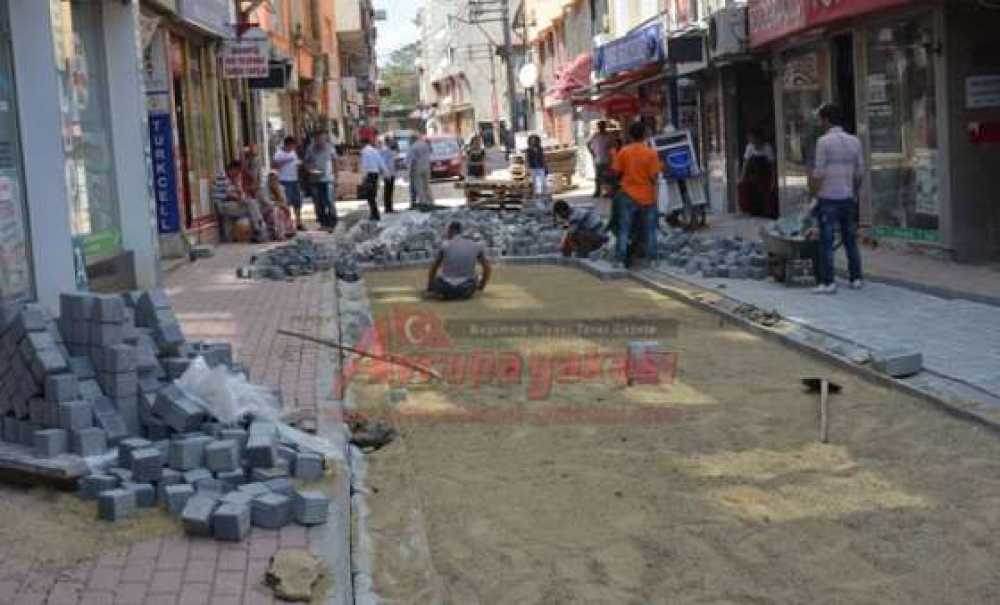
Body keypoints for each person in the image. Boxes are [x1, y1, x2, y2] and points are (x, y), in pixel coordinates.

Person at [808, 103, 865, 294]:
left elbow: (818, 173)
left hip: (828, 198)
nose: (820, 123)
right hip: (848, 197)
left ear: (826, 120)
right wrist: (854, 193)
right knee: (850, 240)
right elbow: (859, 173)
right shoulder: (855, 141)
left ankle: (828, 282)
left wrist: (815, 196)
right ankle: (856, 278)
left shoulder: (823, 142)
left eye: (821, 120)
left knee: (826, 241)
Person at [609, 121, 663, 267]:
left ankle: (620, 260)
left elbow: (615, 172)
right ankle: (652, 260)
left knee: (624, 229)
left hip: (627, 194)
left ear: (630, 135)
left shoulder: (624, 152)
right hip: (647, 196)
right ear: (644, 135)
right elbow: (654, 177)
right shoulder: (651, 153)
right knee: (650, 229)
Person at [426, 221, 491, 300]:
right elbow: (487, 268)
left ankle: (445, 293)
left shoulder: (445, 245)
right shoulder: (476, 245)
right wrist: (481, 286)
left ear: (451, 230)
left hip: (445, 288)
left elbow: (434, 268)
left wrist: (430, 287)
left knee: (439, 278)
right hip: (465, 288)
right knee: (476, 276)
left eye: (447, 231)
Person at [219, 161, 267, 242]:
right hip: (224, 205)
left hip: (233, 204)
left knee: (252, 204)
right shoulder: (222, 177)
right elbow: (227, 195)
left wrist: (240, 195)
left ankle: (258, 229)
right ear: (232, 169)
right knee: (252, 206)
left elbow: (240, 193)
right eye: (237, 172)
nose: (237, 174)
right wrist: (239, 197)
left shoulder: (234, 179)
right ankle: (259, 230)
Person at [739, 128, 777, 218]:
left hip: (765, 177)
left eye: (752, 138)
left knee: (766, 197)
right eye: (749, 139)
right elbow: (746, 163)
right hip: (753, 178)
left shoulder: (767, 148)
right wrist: (742, 177)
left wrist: (773, 180)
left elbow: (772, 166)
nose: (751, 141)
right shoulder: (749, 148)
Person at [305, 131, 338, 230]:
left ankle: (332, 222)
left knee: (329, 200)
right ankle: (323, 222)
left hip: (328, 179)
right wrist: (310, 170)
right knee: (318, 202)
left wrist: (336, 176)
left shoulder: (330, 148)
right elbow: (307, 162)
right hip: (315, 180)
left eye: (322, 139)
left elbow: (335, 161)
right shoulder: (310, 149)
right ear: (315, 140)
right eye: (318, 140)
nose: (320, 142)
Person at [271, 136, 304, 231]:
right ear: (287, 144)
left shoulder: (293, 153)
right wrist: (285, 161)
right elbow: (274, 166)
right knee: (286, 203)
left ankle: (299, 222)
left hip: (294, 179)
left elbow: (295, 163)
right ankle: (287, 223)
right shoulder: (279, 154)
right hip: (284, 180)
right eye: (292, 146)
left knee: (297, 202)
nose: (293, 148)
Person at [256, 171, 295, 240]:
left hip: (276, 210)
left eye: (275, 179)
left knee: (281, 210)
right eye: (272, 180)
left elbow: (284, 201)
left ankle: (287, 230)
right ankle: (279, 234)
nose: (273, 181)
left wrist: (277, 192)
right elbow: (267, 203)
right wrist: (280, 204)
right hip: (265, 211)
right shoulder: (263, 189)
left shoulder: (281, 188)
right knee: (276, 210)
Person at [360, 135, 389, 221]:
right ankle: (374, 213)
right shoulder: (374, 150)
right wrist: (385, 172)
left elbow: (364, 165)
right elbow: (380, 161)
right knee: (372, 195)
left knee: (369, 196)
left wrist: (363, 177)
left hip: (369, 175)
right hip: (375, 174)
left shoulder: (364, 151)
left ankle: (374, 214)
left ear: (363, 143)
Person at [588, 121, 614, 198]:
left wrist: (611, 155)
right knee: (598, 177)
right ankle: (597, 191)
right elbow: (588, 143)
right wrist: (591, 152)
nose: (601, 128)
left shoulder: (609, 136)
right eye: (599, 126)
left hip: (607, 159)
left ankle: (607, 192)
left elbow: (613, 146)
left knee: (607, 177)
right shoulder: (595, 135)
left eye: (602, 126)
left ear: (605, 127)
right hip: (597, 159)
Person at [407, 133, 433, 210]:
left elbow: (410, 159)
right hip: (427, 167)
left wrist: (406, 166)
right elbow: (431, 151)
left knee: (419, 186)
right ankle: (430, 201)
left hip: (417, 167)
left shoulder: (413, 147)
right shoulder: (425, 145)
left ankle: (423, 202)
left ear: (412, 139)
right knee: (426, 185)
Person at [380, 136, 398, 214]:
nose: (392, 142)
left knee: (390, 190)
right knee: (388, 191)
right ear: (387, 142)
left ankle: (390, 207)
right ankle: (387, 207)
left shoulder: (389, 150)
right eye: (391, 141)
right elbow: (383, 163)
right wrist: (386, 173)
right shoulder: (385, 150)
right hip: (388, 174)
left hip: (391, 173)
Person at [526, 134, 547, 199]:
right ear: (529, 142)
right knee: (534, 183)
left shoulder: (540, 149)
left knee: (543, 181)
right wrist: (527, 169)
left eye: (535, 140)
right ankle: (535, 195)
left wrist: (545, 166)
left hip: (541, 167)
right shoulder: (528, 150)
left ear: (538, 141)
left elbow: (543, 158)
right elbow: (527, 159)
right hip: (533, 168)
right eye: (532, 141)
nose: (533, 142)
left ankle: (543, 194)